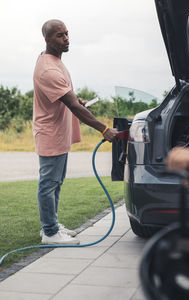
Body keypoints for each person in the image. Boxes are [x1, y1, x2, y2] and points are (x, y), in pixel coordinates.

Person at [33, 19, 117, 245]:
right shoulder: (49, 69)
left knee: (56, 182)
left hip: (59, 133)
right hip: (50, 133)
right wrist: (104, 129)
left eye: (67, 34)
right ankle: (49, 233)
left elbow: (66, 98)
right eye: (60, 36)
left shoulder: (54, 60)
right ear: (48, 40)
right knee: (48, 184)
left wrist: (75, 100)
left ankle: (51, 224)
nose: (67, 39)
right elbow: (73, 107)